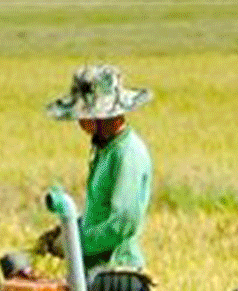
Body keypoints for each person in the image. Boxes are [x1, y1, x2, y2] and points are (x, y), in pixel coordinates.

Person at [35, 63, 154, 276]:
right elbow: (98, 215)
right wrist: (68, 230)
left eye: (84, 116)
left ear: (102, 117)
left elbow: (121, 223)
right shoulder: (105, 150)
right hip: (95, 272)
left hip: (116, 274)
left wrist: (74, 243)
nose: (80, 122)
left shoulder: (127, 154)